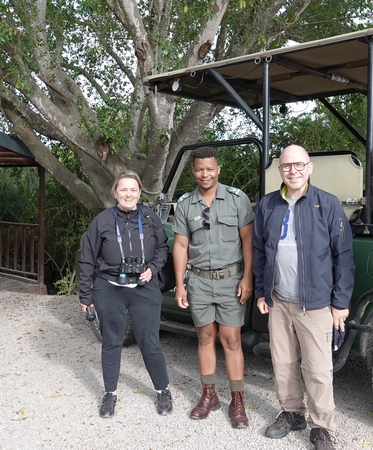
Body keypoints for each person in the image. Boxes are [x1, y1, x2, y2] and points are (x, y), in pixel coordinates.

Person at [253, 145, 355, 450]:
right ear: (280, 170)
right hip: (279, 301)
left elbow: (344, 256)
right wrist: (261, 291)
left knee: (318, 369)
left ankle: (321, 427)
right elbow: (259, 251)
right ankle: (292, 413)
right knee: (283, 362)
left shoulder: (327, 203)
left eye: (299, 165)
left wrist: (341, 303)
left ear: (309, 168)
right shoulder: (268, 204)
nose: (293, 171)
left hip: (316, 303)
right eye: (286, 166)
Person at [78, 171, 172, 418]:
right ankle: (110, 393)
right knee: (111, 342)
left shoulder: (150, 218)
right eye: (123, 189)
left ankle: (162, 390)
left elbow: (162, 248)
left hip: (144, 286)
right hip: (109, 287)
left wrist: (153, 268)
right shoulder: (102, 220)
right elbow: (87, 259)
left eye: (133, 190)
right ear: (115, 192)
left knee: (149, 342)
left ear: (140, 193)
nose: (128, 194)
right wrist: (85, 296)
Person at [172, 146, 254, 428]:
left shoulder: (237, 199)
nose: (204, 174)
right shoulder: (185, 204)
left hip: (231, 281)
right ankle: (209, 395)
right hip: (199, 281)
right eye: (199, 169)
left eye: (209, 169)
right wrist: (180, 285)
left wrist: (248, 277)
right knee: (205, 337)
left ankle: (237, 399)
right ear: (192, 171)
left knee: (231, 340)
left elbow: (248, 240)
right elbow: (180, 246)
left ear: (218, 169)